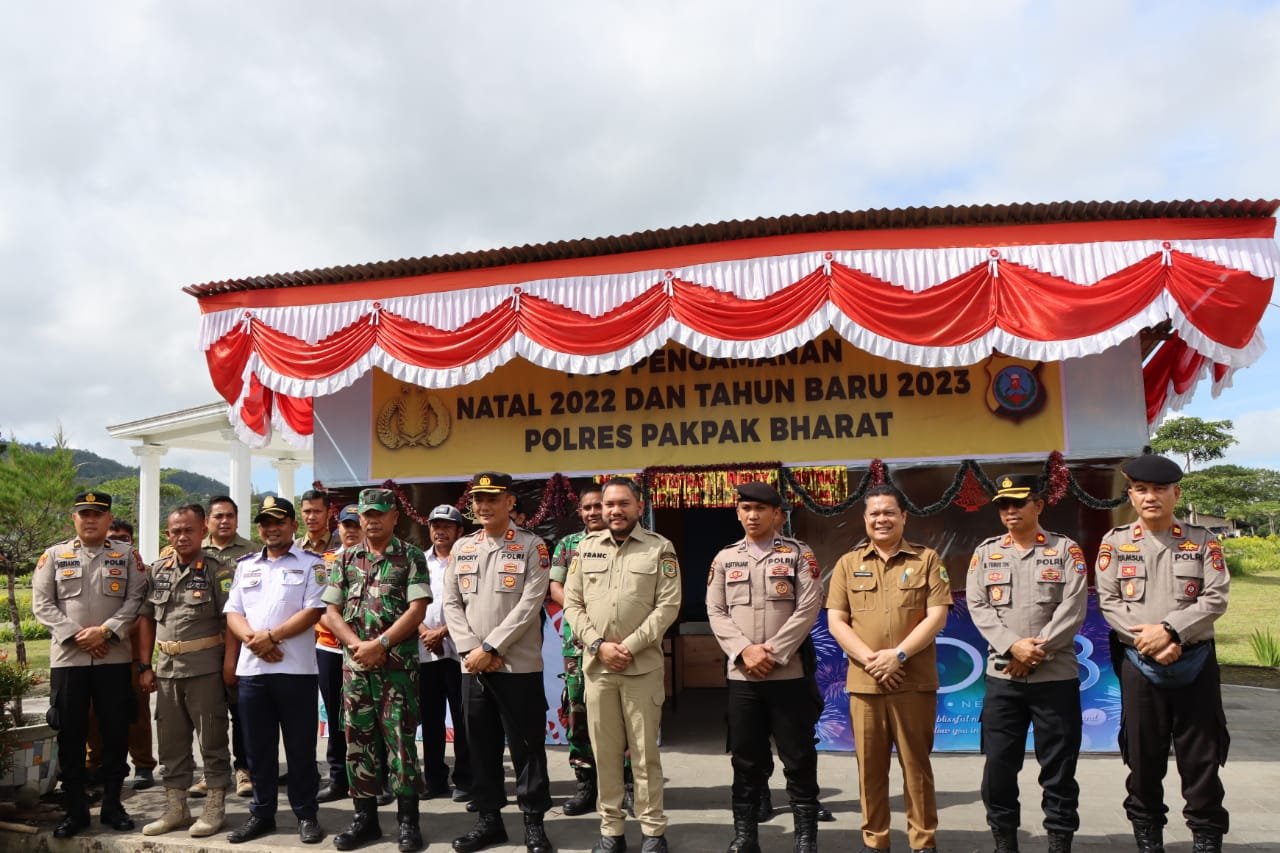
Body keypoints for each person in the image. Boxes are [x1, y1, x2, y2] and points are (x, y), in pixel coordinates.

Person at [1096, 454, 1230, 853]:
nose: (1150, 497)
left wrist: (1170, 631)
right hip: (1139, 664)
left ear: (1176, 494)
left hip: (1195, 660)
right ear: (1131, 496)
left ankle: (1206, 835)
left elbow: (1215, 597)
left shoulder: (1204, 541)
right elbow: (1109, 601)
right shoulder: (1115, 542)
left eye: (1159, 490)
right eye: (1141, 490)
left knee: (1202, 758)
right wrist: (1149, 642)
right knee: (1142, 754)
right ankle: (1147, 835)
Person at [826, 484, 951, 853]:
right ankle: (875, 841)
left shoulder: (926, 559)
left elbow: (937, 615)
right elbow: (836, 620)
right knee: (870, 770)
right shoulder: (848, 564)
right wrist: (871, 659)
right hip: (866, 684)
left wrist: (897, 656)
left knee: (917, 768)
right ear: (865, 520)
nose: (882, 519)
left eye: (889, 512)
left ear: (903, 517)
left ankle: (923, 842)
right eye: (874, 514)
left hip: (912, 682)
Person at [966, 475, 1088, 853]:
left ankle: (1059, 841)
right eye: (1004, 505)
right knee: (999, 770)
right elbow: (979, 607)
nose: (1010, 511)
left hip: (1055, 678)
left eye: (1018, 503)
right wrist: (1012, 647)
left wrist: (1036, 652)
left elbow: (1073, 608)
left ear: (1039, 504)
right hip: (1003, 680)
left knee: (1059, 770)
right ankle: (1005, 841)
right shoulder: (985, 553)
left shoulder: (1065, 551)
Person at [564, 476, 682, 853]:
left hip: (640, 670)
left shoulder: (659, 549)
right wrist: (599, 646)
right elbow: (572, 604)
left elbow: (667, 607)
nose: (614, 511)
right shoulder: (585, 548)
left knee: (645, 756)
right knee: (606, 754)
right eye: (608, 504)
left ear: (639, 506)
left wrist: (627, 647)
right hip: (598, 670)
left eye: (622, 504)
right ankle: (611, 831)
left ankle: (652, 832)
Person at [706, 481, 824, 853]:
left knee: (798, 756)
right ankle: (745, 835)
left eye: (760, 509)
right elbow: (716, 610)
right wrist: (744, 652)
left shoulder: (797, 555)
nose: (752, 515)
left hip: (787, 674)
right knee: (745, 758)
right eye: (745, 509)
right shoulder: (725, 558)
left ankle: (805, 836)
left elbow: (809, 607)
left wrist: (771, 651)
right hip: (743, 676)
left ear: (777, 514)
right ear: (738, 513)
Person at [442, 472, 554, 853]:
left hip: (516, 667)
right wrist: (471, 648)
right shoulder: (462, 548)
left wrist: (490, 646)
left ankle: (534, 823)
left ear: (510, 502)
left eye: (492, 498)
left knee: (527, 748)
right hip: (473, 667)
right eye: (478, 499)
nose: (483, 506)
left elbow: (530, 605)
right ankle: (489, 821)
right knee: (480, 747)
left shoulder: (531, 546)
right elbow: (451, 604)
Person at [31, 491, 147, 838]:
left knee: (115, 731)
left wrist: (106, 632)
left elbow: (136, 599)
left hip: (113, 657)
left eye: (98, 513)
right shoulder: (54, 555)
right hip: (69, 658)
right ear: (74, 519)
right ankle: (75, 810)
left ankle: (113, 804)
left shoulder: (127, 556)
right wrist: (77, 634)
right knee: (70, 733)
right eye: (84, 513)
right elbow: (42, 603)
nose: (91, 519)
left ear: (110, 518)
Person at [323, 488, 431, 852]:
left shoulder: (411, 557)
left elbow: (416, 611)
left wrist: (379, 645)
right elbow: (331, 612)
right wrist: (357, 646)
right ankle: (365, 819)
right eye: (367, 514)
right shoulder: (344, 559)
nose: (371, 520)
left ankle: (407, 823)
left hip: (397, 670)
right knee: (359, 745)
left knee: (401, 745)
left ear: (394, 517)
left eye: (379, 514)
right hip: (356, 670)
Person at [223, 496, 327, 845]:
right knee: (258, 749)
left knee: (299, 749)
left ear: (293, 525)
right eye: (265, 523)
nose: (271, 528)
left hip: (296, 671)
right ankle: (262, 812)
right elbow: (233, 612)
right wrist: (253, 640)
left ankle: (306, 813)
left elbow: (314, 610)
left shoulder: (312, 564)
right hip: (253, 670)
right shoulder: (246, 565)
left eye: (278, 521)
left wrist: (271, 636)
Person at [135, 505, 236, 838]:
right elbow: (147, 618)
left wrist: (228, 665)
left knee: (212, 739)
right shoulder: (157, 570)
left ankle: (214, 806)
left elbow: (231, 621)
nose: (181, 536)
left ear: (203, 529)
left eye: (188, 530)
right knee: (170, 743)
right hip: (165, 671)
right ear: (168, 534)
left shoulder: (217, 570)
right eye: (175, 531)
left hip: (205, 668)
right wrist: (145, 665)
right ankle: (176, 808)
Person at [547, 487, 613, 816]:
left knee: (620, 714)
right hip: (577, 646)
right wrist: (581, 612)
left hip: (617, 643)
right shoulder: (567, 545)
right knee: (579, 714)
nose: (592, 513)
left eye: (598, 506)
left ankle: (625, 783)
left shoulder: (625, 541)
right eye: (586, 508)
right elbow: (555, 586)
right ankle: (586, 783)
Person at [84, 518, 158, 792]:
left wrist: (111, 634)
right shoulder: (93, 568)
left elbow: (143, 614)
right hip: (96, 652)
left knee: (135, 712)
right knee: (93, 713)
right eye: (113, 536)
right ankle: (95, 763)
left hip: (131, 653)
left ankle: (143, 765)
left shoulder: (143, 571)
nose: (118, 541)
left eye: (124, 538)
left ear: (131, 541)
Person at [199, 494, 257, 799]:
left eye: (229, 516)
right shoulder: (194, 549)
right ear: (207, 520)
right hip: (203, 644)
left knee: (241, 710)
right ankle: (213, 772)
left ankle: (244, 769)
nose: (224, 521)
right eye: (218, 516)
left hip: (242, 642)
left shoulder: (252, 552)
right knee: (209, 711)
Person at [418, 504, 473, 803]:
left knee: (463, 719)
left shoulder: (468, 560)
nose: (440, 531)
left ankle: (465, 778)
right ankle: (434, 778)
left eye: (447, 526)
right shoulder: (418, 561)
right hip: (425, 651)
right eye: (435, 525)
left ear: (459, 531)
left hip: (458, 652)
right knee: (431, 719)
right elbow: (406, 603)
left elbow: (471, 605)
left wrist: (442, 632)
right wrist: (425, 633)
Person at [318, 504, 362, 803]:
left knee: (367, 716)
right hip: (331, 648)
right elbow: (317, 607)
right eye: (346, 524)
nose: (351, 530)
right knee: (335, 716)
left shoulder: (377, 560)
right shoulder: (325, 561)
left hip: (365, 650)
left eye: (356, 524)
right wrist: (343, 633)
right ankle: (337, 778)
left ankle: (374, 777)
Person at [298, 488, 340, 554]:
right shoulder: (293, 548)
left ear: (329, 513)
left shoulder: (341, 547)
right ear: (301, 512)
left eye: (317, 511)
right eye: (307, 511)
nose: (311, 517)